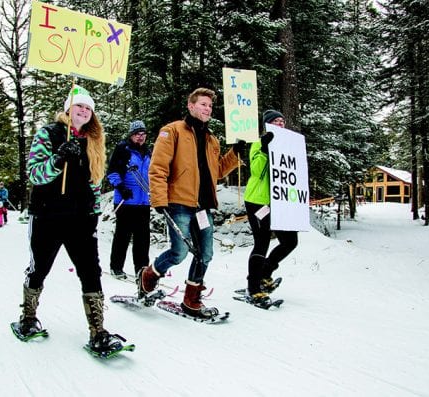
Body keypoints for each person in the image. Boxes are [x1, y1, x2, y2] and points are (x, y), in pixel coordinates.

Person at [13, 85, 123, 352]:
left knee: (91, 272)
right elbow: (35, 175)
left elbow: (95, 183)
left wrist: (94, 212)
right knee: (40, 268)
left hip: (81, 219)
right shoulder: (48, 134)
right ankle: (28, 317)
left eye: (88, 108)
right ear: (68, 109)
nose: (84, 111)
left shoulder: (94, 141)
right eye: (79, 106)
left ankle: (98, 331)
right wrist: (58, 157)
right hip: (48, 215)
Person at [140, 87, 246, 318]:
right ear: (191, 105)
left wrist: (235, 152)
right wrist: (159, 199)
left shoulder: (211, 140)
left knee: (205, 254)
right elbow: (158, 168)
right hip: (179, 202)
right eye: (203, 104)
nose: (208, 109)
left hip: (203, 206)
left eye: (210, 105)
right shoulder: (172, 131)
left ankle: (191, 299)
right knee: (178, 253)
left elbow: (216, 171)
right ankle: (150, 274)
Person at [243, 109, 298, 304]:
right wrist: (265, 150)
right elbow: (257, 172)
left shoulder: (288, 146)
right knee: (262, 242)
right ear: (268, 125)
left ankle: (265, 272)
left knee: (290, 241)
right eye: (276, 122)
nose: (280, 125)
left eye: (282, 122)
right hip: (258, 201)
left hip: (280, 202)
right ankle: (253, 286)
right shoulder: (259, 143)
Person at [106, 120, 152, 280]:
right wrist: (120, 187)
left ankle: (142, 270)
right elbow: (111, 171)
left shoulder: (148, 152)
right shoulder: (123, 149)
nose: (140, 137)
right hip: (125, 201)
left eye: (143, 134)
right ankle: (116, 267)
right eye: (137, 134)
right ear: (131, 135)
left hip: (144, 202)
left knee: (143, 238)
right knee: (123, 236)